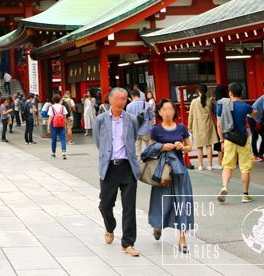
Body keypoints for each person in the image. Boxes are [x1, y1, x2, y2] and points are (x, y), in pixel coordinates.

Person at [93, 87, 141, 257]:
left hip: (127, 167)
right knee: (105, 204)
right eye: (119, 99)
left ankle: (128, 243)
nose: (122, 102)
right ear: (110, 100)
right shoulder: (100, 120)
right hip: (109, 167)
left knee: (129, 207)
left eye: (124, 99)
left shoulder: (132, 119)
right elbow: (99, 142)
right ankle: (110, 226)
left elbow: (133, 138)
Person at [146, 99, 194, 253]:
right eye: (164, 109)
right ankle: (157, 226)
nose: (167, 112)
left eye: (170, 109)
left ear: (174, 111)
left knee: (182, 201)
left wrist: (183, 147)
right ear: (159, 112)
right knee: (161, 202)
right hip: (163, 173)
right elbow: (149, 150)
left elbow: (189, 147)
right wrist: (161, 147)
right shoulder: (156, 130)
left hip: (179, 171)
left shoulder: (181, 127)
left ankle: (182, 238)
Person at [217, 82, 257, 204]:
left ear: (230, 93)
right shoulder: (245, 106)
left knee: (227, 165)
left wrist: (221, 140)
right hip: (243, 140)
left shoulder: (223, 106)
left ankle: (224, 186)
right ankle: (245, 194)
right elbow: (255, 114)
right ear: (241, 93)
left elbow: (219, 125)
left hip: (229, 139)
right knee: (245, 168)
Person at [187, 84, 219, 170]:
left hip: (197, 124)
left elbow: (191, 115)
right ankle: (209, 165)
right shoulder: (209, 101)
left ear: (198, 91)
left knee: (199, 147)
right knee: (209, 146)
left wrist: (189, 127)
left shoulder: (194, 101)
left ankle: (200, 165)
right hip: (208, 124)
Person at [125, 89, 154, 157]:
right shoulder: (146, 104)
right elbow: (151, 116)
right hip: (146, 129)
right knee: (149, 146)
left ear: (132, 96)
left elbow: (128, 119)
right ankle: (148, 161)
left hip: (135, 130)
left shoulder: (129, 106)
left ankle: (139, 164)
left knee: (137, 149)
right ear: (139, 95)